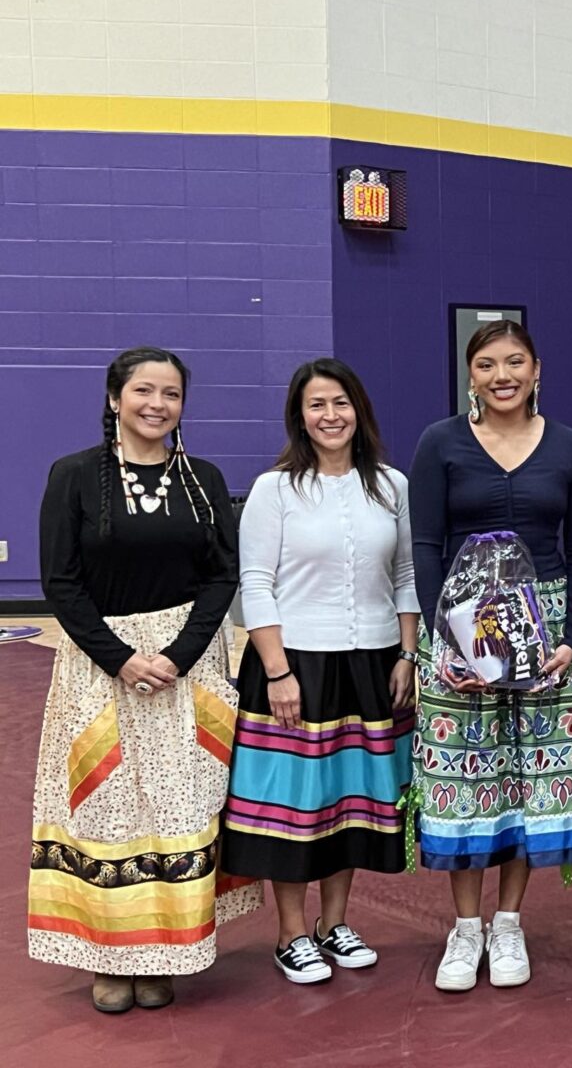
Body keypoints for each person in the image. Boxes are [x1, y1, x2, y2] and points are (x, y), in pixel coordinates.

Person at [30, 347, 260, 1013]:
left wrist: (182, 654)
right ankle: (109, 955)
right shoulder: (73, 476)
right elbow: (60, 581)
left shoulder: (202, 478)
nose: (157, 404)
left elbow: (223, 573)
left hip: (185, 668)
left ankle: (167, 950)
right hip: (100, 668)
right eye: (144, 391)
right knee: (104, 808)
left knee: (181, 810)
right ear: (114, 399)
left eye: (172, 394)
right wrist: (120, 658)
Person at [409, 320, 572, 993]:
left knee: (528, 780)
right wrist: (442, 641)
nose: (502, 375)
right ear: (471, 374)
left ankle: (509, 921)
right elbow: (426, 546)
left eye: (515, 362)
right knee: (465, 776)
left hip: (542, 628)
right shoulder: (440, 443)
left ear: (537, 368)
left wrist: (571, 638)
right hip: (463, 624)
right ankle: (466, 929)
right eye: (487, 364)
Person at [221, 359, 419, 984]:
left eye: (340, 403)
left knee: (351, 801)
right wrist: (277, 671)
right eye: (316, 405)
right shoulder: (274, 489)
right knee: (294, 804)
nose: (330, 415)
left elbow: (407, 576)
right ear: (299, 417)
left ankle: (335, 924)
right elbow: (255, 582)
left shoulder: (392, 485)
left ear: (358, 411)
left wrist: (408, 656)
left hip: (375, 663)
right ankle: (291, 934)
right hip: (295, 666)